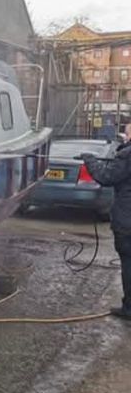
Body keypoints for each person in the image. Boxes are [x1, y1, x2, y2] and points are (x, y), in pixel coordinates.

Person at [81, 123, 131, 319]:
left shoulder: (127, 155)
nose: (124, 137)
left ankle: (129, 309)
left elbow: (106, 176)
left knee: (128, 265)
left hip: (127, 223)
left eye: (126, 133)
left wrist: (90, 160)